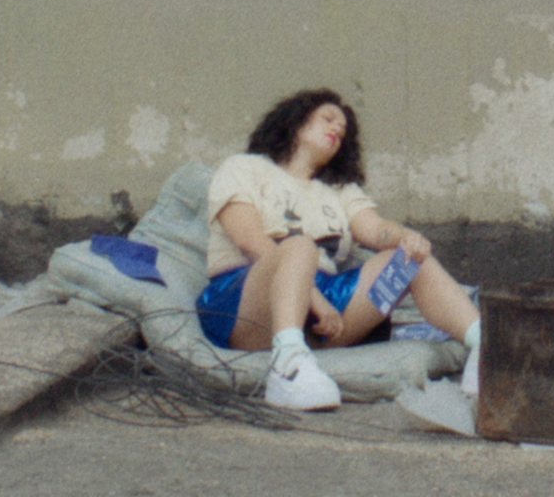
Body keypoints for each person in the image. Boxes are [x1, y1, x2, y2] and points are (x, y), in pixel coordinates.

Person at [196, 88, 482, 411]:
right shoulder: (244, 167)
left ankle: (483, 347)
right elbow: (249, 240)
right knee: (299, 247)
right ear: (296, 121)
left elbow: (374, 229)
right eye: (328, 118)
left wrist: (409, 237)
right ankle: (287, 365)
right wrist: (312, 298)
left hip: (327, 313)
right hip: (245, 304)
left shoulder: (339, 190)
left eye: (343, 131)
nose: (336, 129)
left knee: (410, 261)